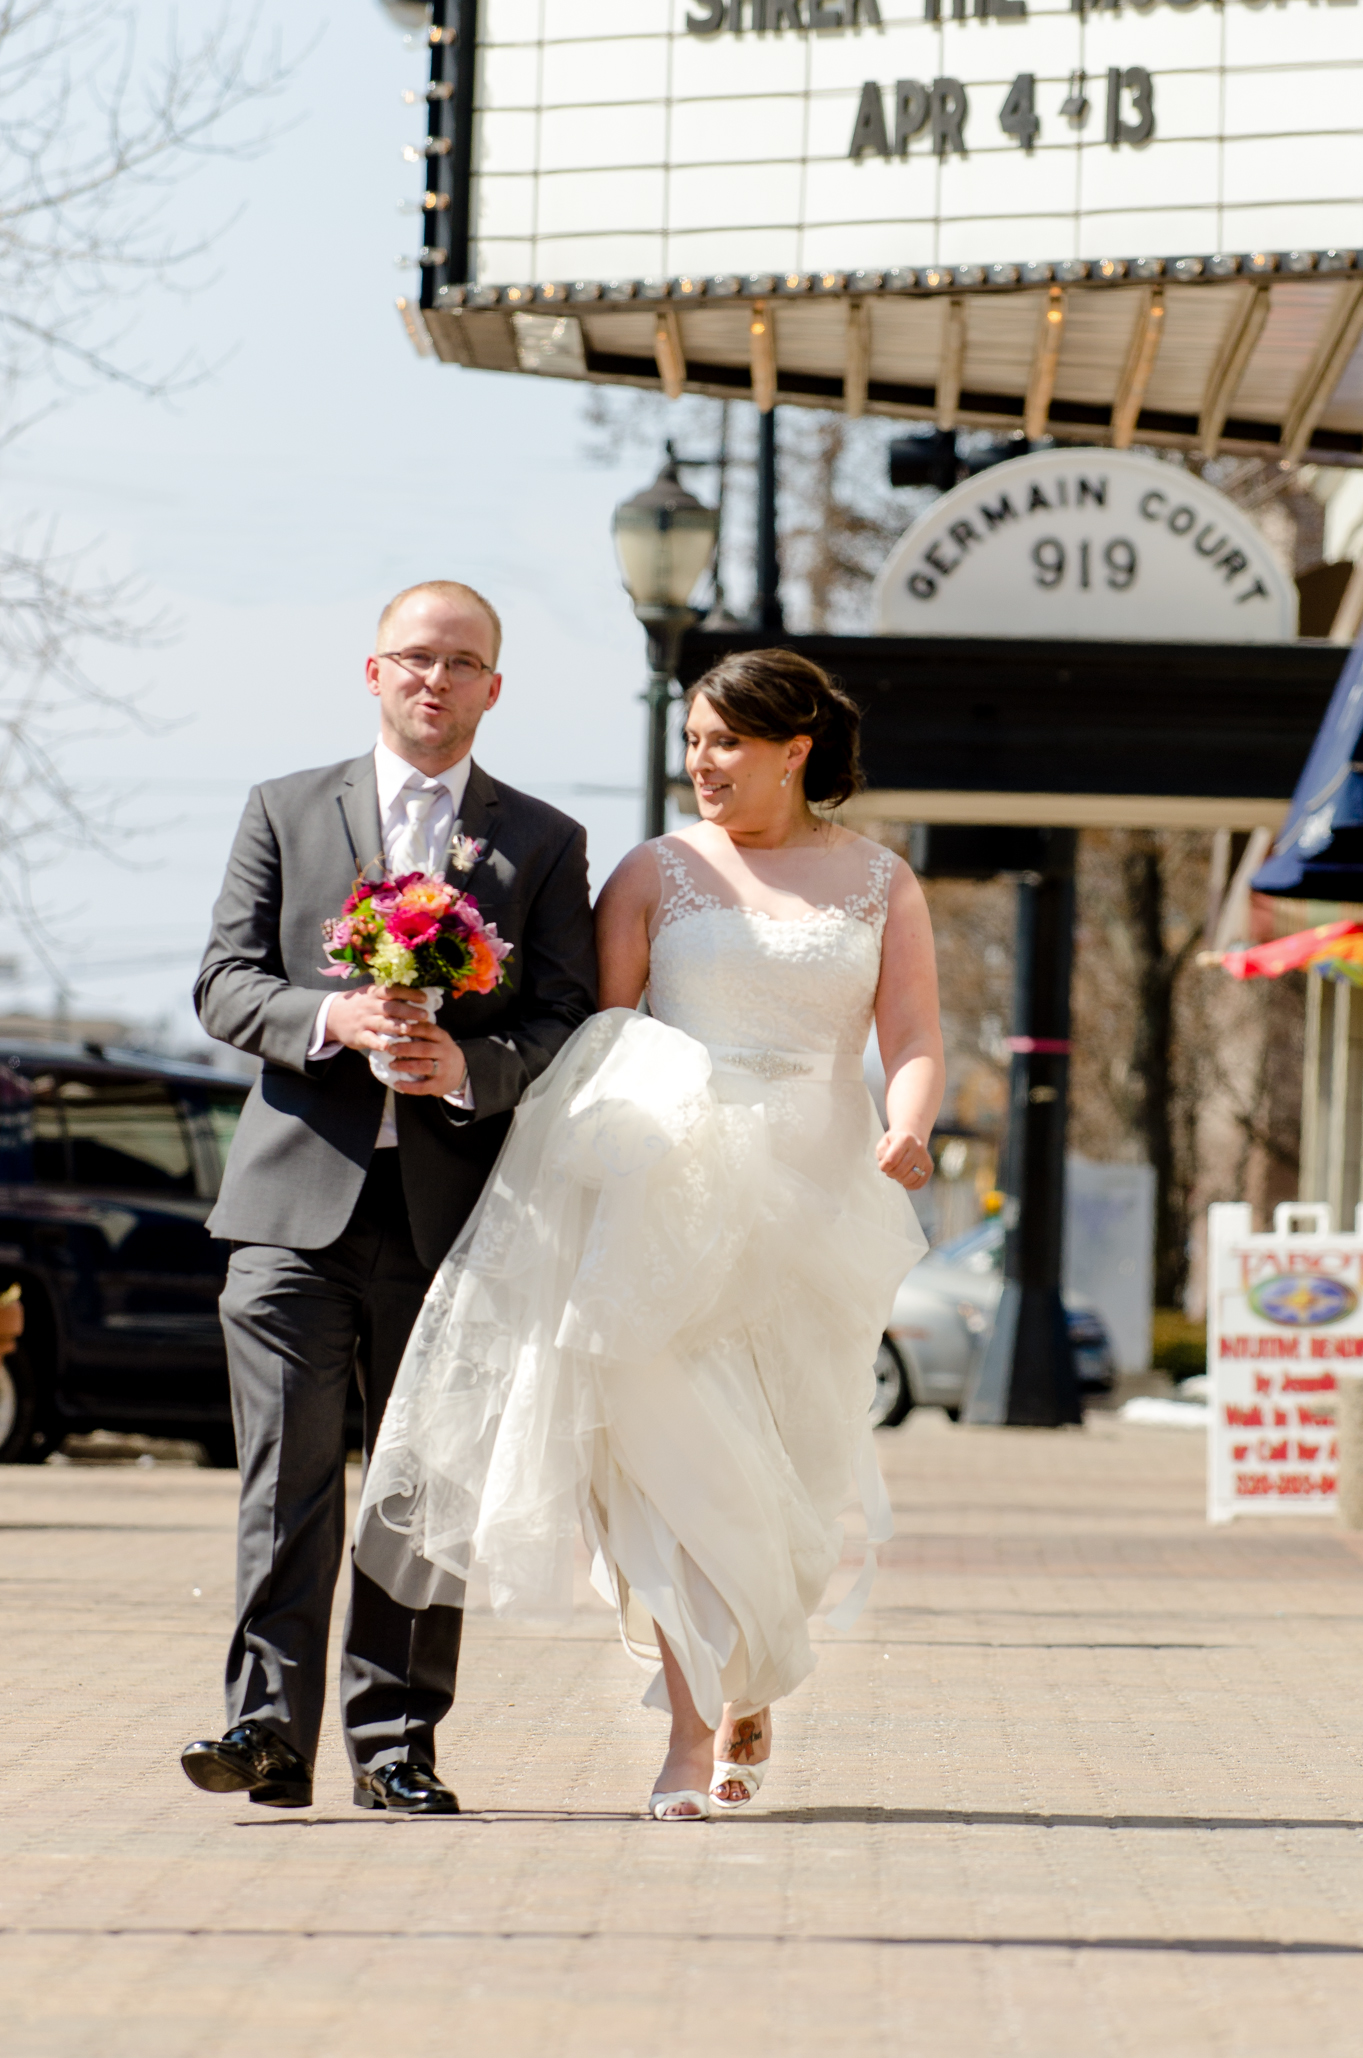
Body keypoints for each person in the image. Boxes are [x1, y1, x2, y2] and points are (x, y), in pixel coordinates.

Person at [355, 645, 943, 1819]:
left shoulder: (883, 883)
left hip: (814, 1209)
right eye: (690, 742)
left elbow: (915, 1034)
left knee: (786, 1476)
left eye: (725, 743)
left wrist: (909, 1127)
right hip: (668, 1201)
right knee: (671, 1469)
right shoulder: (652, 873)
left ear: (795, 749)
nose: (701, 764)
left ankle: (753, 1663)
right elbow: (597, 1037)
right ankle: (687, 1734)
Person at [179, 580, 596, 1815]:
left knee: (420, 1487)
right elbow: (223, 983)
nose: (434, 679)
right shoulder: (283, 808)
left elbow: (564, 1019)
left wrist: (468, 1067)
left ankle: (396, 1744)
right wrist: (333, 1019)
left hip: (451, 1221)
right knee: (285, 1479)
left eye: (460, 663)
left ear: (493, 689)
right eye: (414, 657)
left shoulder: (544, 842)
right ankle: (265, 1730)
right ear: (373, 672)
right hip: (288, 1215)